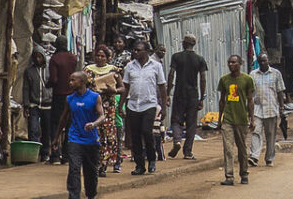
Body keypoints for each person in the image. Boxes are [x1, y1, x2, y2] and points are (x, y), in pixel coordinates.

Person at [56, 71, 106, 199]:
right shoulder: (69, 99)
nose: (70, 83)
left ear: (82, 82)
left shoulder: (95, 97)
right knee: (74, 168)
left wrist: (94, 124)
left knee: (91, 171)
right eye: (70, 80)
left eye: (73, 80)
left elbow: (102, 116)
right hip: (74, 138)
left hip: (91, 140)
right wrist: (56, 138)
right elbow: (64, 118)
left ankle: (91, 197)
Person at [121, 41, 166, 176]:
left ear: (147, 51)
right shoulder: (129, 67)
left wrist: (163, 107)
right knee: (135, 136)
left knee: (147, 132)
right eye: (134, 50)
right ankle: (139, 165)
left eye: (138, 50)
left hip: (149, 104)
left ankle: (152, 159)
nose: (135, 52)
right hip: (133, 105)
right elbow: (126, 87)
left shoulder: (156, 66)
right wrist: (121, 105)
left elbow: (162, 87)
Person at [214, 55, 253, 186]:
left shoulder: (247, 80)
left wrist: (252, 119)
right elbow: (222, 101)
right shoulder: (224, 80)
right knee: (228, 149)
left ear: (240, 64)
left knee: (242, 149)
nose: (231, 64)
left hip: (242, 119)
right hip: (228, 119)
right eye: (229, 62)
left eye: (234, 62)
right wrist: (220, 119)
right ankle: (229, 176)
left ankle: (244, 174)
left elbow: (250, 100)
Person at [166, 36, 208, 160]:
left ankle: (177, 141)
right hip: (193, 95)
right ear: (194, 44)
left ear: (184, 43)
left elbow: (171, 75)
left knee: (176, 120)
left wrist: (168, 93)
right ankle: (188, 152)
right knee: (191, 124)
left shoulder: (176, 57)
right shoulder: (199, 59)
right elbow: (203, 79)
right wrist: (201, 98)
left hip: (179, 93)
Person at [84, 46, 123, 173]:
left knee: (107, 134)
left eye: (103, 56)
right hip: (93, 107)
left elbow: (123, 88)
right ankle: (94, 162)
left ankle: (104, 164)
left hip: (109, 108)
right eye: (98, 56)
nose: (100, 58)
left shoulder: (113, 71)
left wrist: (114, 91)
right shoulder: (88, 70)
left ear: (107, 58)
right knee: (95, 134)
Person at [247, 53, 285, 167]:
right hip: (257, 109)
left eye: (265, 61)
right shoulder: (253, 74)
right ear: (258, 62)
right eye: (261, 61)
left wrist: (282, 108)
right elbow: (249, 94)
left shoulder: (276, 74)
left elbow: (280, 91)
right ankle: (254, 156)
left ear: (268, 60)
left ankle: (269, 158)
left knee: (270, 135)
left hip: (271, 108)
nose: (263, 63)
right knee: (256, 132)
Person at [46, 40, 79, 163]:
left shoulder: (55, 59)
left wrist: (48, 84)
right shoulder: (73, 58)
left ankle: (55, 154)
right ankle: (66, 155)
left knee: (56, 124)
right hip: (72, 95)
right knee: (70, 125)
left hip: (59, 95)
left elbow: (54, 79)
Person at [21, 45, 52, 164]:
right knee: (33, 129)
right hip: (34, 105)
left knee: (46, 130)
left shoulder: (49, 70)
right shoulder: (29, 71)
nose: (38, 59)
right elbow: (26, 89)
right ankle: (34, 153)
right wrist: (26, 105)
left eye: (40, 57)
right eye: (36, 57)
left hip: (47, 105)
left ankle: (45, 153)